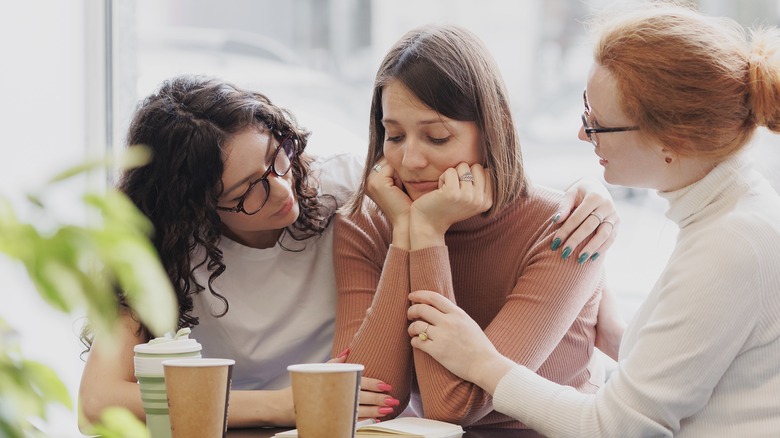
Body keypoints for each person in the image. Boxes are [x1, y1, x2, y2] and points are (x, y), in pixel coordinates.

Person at [77, 74, 616, 429]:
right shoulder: (157, 248)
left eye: (276, 157)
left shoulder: (344, 191)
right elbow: (98, 402)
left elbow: (489, 190)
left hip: (356, 423)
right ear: (193, 210)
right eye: (246, 193)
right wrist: (284, 404)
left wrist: (590, 191)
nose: (283, 192)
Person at [407, 4, 780, 436]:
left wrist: (482, 361)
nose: (583, 135)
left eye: (599, 125)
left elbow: (617, 427)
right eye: (586, 112)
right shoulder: (735, 216)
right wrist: (615, 335)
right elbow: (699, 375)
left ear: (672, 140)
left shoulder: (730, 244)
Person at [332, 24, 618, 429]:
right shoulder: (364, 223)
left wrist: (428, 234)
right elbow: (367, 399)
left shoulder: (565, 227)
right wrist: (405, 234)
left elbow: (455, 406)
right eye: (393, 135)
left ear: (494, 128)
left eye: (436, 137)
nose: (410, 159)